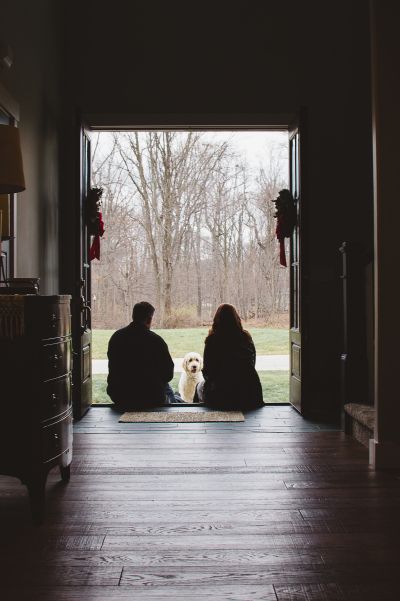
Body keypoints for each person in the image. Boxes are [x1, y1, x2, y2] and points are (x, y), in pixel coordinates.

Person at [107, 301, 175, 410]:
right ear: (149, 319)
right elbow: (168, 374)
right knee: (169, 391)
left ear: (133, 316)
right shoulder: (156, 340)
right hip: (151, 397)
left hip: (120, 395)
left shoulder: (117, 337)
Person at [196, 303, 264, 411]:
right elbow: (252, 363)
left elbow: (207, 371)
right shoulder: (246, 337)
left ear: (217, 320)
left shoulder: (212, 340)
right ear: (236, 318)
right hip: (250, 393)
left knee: (199, 387)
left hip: (222, 395)